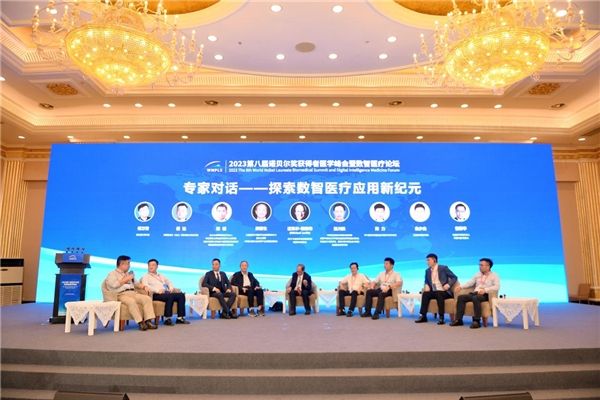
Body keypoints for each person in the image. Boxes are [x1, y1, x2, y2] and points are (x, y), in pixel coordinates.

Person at [105, 255, 157, 331]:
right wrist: (126, 279)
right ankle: (140, 322)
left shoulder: (128, 274)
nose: (129, 265)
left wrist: (144, 287)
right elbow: (114, 285)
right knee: (131, 302)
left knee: (147, 298)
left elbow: (136, 283)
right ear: (122, 264)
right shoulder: (112, 274)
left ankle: (148, 321)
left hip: (133, 293)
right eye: (128, 263)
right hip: (121, 294)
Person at [450, 258, 500, 329]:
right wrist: (460, 287)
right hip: (475, 293)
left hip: (485, 295)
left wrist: (485, 290)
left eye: (482, 265)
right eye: (479, 265)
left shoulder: (494, 275)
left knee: (475, 298)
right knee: (461, 297)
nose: (480, 267)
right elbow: (470, 282)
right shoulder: (477, 274)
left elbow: (497, 286)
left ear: (488, 266)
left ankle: (476, 321)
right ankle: (459, 320)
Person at [140, 258, 190, 326]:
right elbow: (146, 286)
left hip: (165, 293)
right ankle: (167, 319)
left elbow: (169, 281)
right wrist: (157, 290)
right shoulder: (146, 276)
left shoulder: (161, 275)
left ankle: (180, 318)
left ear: (157, 266)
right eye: (149, 265)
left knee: (181, 295)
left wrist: (171, 288)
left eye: (153, 265)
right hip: (155, 294)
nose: (151, 267)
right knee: (170, 296)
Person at [415, 253, 458, 325]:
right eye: (426, 260)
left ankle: (441, 317)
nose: (427, 262)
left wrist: (448, 285)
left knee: (439, 293)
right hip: (434, 291)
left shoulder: (443, 268)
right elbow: (426, 281)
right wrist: (426, 285)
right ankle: (423, 316)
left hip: (445, 292)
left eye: (428, 260)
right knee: (425, 294)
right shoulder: (427, 271)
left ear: (434, 260)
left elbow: (454, 277)